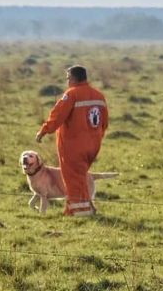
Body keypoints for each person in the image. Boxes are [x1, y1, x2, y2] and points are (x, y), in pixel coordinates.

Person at [36, 65, 108, 216]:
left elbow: (57, 116)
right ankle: (85, 208)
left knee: (72, 178)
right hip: (93, 145)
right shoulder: (99, 95)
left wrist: (43, 130)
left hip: (74, 146)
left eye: (68, 78)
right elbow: (104, 123)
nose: (67, 81)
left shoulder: (72, 94)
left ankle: (77, 212)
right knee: (80, 176)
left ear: (74, 78)